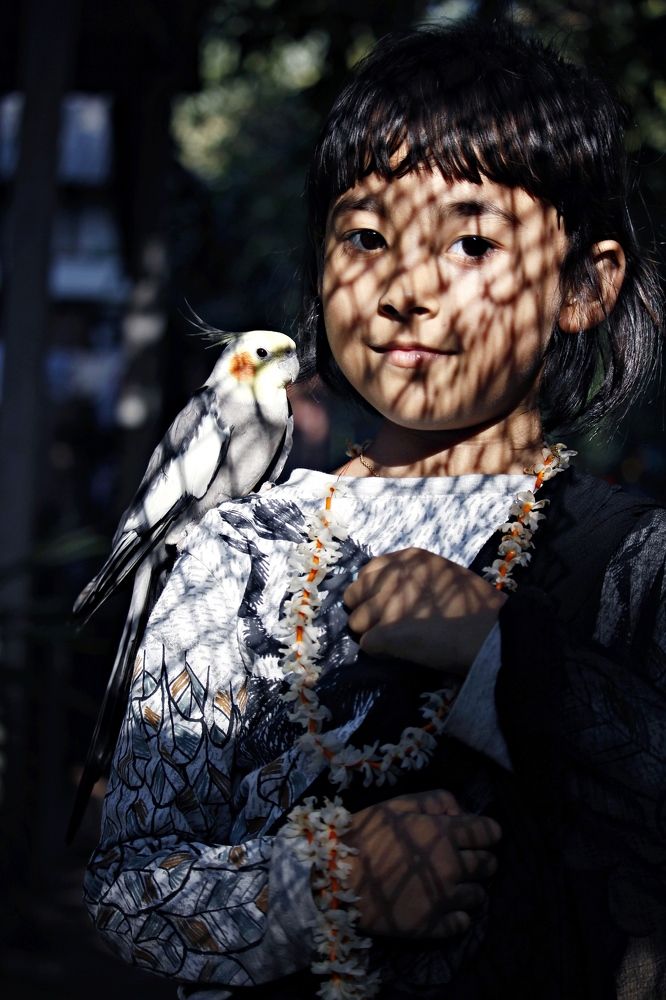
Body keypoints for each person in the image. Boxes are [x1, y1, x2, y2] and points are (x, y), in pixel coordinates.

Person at [84, 18, 666, 1000]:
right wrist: (331, 882)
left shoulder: (637, 560)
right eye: (364, 234)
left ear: (584, 285)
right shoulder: (232, 553)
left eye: (473, 240)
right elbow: (130, 894)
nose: (404, 286)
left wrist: (495, 652)